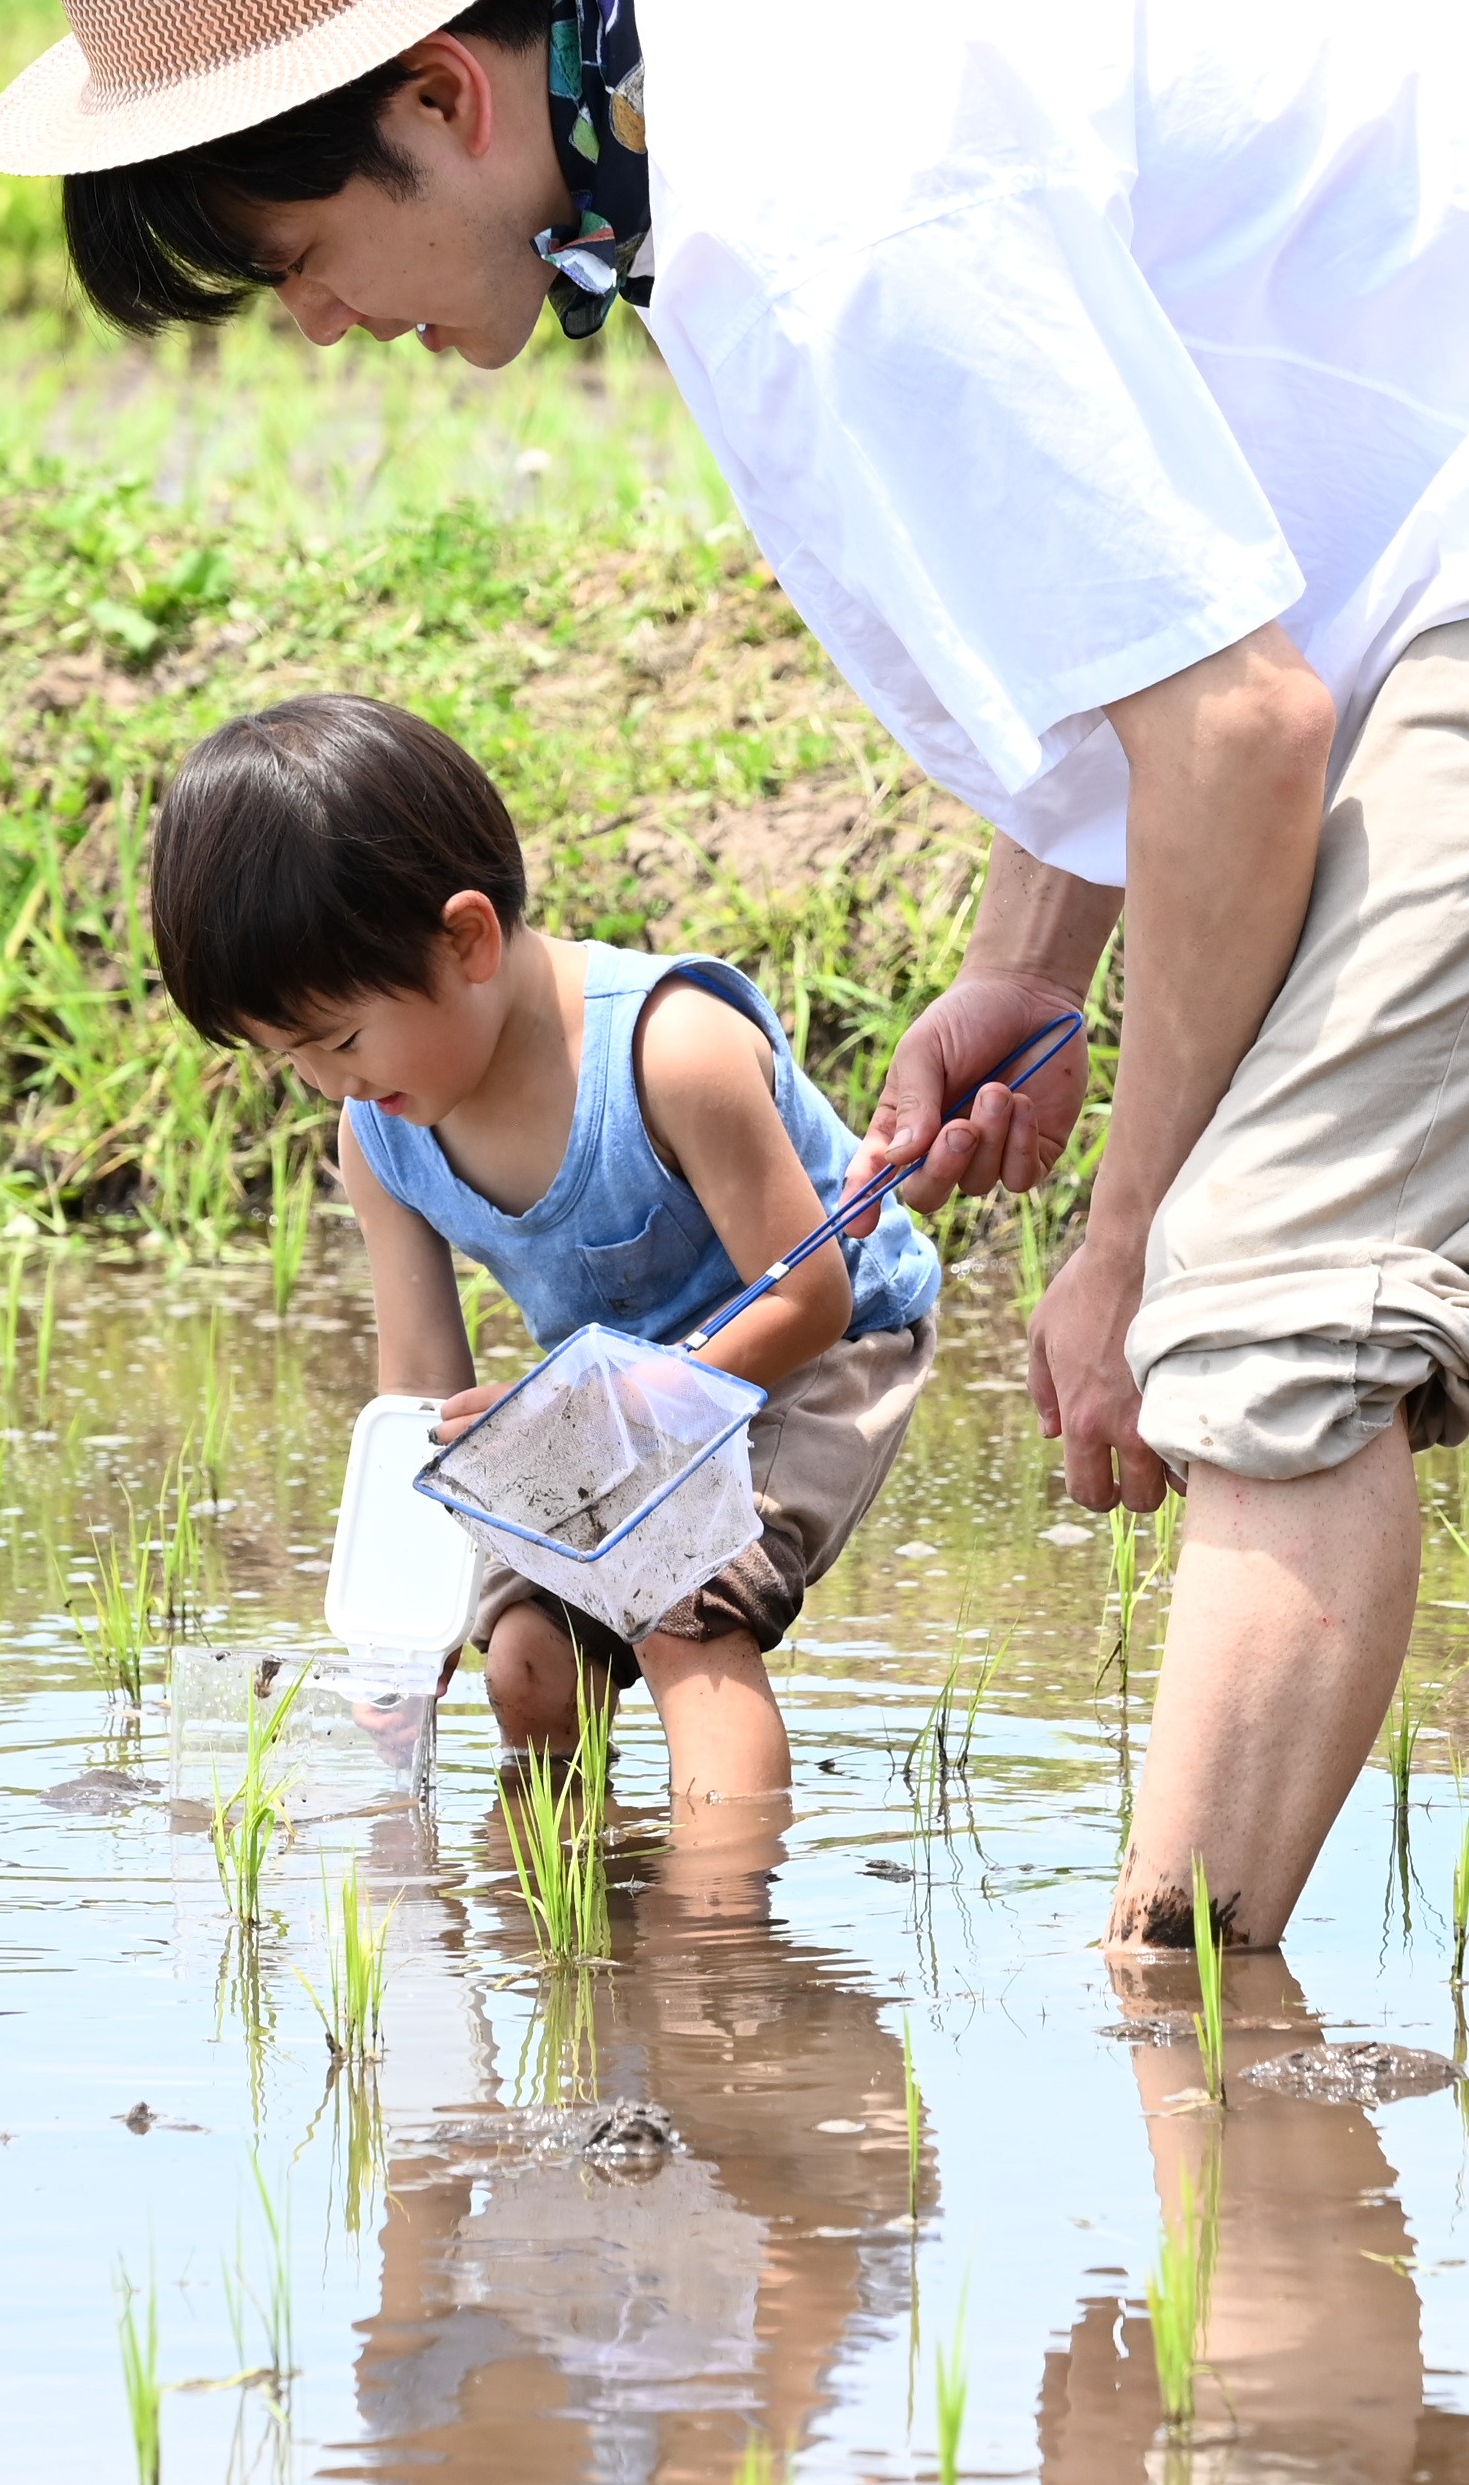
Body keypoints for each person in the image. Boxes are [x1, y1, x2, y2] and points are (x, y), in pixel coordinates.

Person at [0, 0, 1469, 1947]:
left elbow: (1233, 731)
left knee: (1263, 1310)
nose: (319, 323)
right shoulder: (712, 97)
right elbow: (1171, 587)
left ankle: (1188, 2056)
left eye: (297, 252)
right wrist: (1038, 954)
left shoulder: (824, 198)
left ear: (442, 93)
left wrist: (1127, 1244)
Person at [147, 694, 939, 1804]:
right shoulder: (380, 1134)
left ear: (466, 936)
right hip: (600, 1386)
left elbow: (808, 1293)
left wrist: (591, 1407)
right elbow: (419, 1395)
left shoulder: (673, 1052)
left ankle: (719, 1952)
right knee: (523, 1661)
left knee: (684, 1612)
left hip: (810, 1348)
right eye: (292, 1058)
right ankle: (572, 1935)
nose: (332, 1081)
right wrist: (405, 1633)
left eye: (339, 1037)